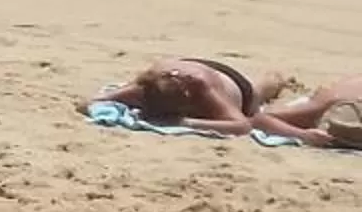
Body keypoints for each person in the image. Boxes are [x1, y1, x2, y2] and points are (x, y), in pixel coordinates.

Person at [93, 60, 362, 147]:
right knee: (262, 101)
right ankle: (273, 80)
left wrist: (183, 122)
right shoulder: (144, 87)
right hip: (205, 73)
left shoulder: (201, 87)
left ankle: (274, 81)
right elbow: (254, 122)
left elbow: (243, 124)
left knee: (258, 93)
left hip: (235, 86)